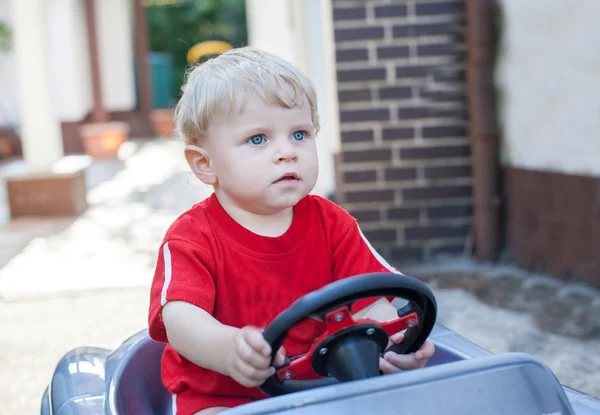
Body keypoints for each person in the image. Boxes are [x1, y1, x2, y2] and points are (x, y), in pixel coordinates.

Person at [148, 46, 435, 415]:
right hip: (226, 400)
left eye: (299, 134)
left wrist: (396, 346)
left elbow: (376, 302)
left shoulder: (333, 224)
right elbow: (181, 321)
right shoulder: (192, 237)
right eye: (258, 139)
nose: (287, 152)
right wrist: (228, 348)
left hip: (329, 390)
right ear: (205, 164)